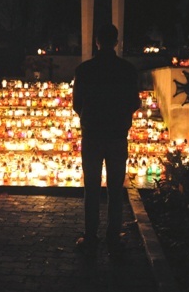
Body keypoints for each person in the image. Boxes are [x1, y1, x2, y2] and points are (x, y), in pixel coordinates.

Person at [72, 24, 141, 256]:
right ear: (116, 42)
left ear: (97, 42)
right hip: (116, 135)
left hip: (92, 134)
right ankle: (113, 235)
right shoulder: (127, 70)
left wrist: (89, 116)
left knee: (91, 187)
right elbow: (135, 102)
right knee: (114, 187)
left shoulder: (85, 70)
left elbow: (76, 103)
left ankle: (90, 235)